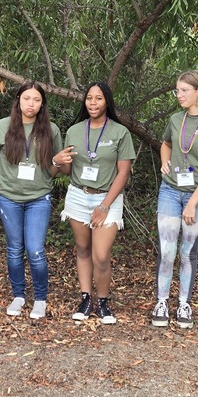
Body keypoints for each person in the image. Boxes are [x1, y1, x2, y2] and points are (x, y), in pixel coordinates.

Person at [150, 70, 198, 330]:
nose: (178, 95)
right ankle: (161, 302)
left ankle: (184, 303)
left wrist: (193, 202)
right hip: (171, 191)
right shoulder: (175, 119)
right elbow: (165, 143)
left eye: (184, 90)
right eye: (177, 90)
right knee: (167, 251)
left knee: (186, 252)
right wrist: (165, 161)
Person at [0, 82, 63, 319]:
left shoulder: (51, 130)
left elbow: (52, 169)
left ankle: (40, 299)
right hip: (9, 197)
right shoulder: (1, 127)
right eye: (27, 98)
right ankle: (18, 295)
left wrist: (57, 162)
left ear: (42, 104)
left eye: (37, 100)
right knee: (14, 249)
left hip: (39, 197)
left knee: (35, 250)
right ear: (18, 99)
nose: (31, 104)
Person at [55, 82, 135, 324]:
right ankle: (85, 298)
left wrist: (104, 206)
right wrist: (57, 161)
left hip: (107, 198)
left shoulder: (120, 133)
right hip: (79, 194)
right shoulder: (75, 131)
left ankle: (103, 301)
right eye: (89, 98)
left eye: (98, 98)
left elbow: (123, 173)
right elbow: (68, 169)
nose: (93, 103)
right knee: (82, 249)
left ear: (106, 102)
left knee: (100, 255)